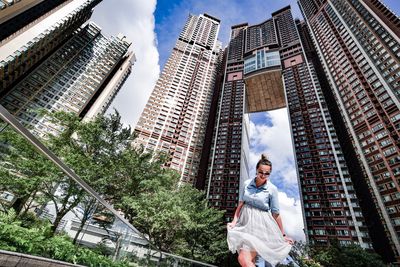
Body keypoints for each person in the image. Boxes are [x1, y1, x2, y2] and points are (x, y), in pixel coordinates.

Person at [227, 154, 293, 267]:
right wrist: (234, 221)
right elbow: (240, 205)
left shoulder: (272, 189)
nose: (263, 175)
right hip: (244, 225)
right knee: (249, 261)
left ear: (270, 173)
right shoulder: (247, 184)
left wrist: (283, 235)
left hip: (260, 228)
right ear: (256, 170)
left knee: (243, 258)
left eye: (267, 173)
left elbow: (276, 214)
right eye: (261, 172)